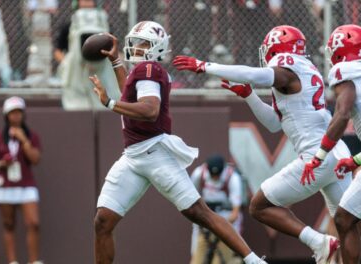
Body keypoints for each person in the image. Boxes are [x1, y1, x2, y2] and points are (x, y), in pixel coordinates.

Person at [89, 21, 267, 264]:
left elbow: (149, 110)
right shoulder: (144, 71)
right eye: (136, 42)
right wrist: (116, 62)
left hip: (154, 153)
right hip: (132, 157)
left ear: (156, 48)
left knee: (200, 213)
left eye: (143, 43)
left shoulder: (149, 69)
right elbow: (129, 96)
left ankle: (254, 261)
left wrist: (109, 103)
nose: (136, 47)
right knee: (103, 221)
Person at [173, 25, 352, 264]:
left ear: (277, 48)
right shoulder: (304, 69)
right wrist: (249, 95)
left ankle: (318, 242)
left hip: (316, 156)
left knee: (259, 206)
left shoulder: (287, 64)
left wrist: (206, 66)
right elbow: (274, 124)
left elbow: (257, 75)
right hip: (337, 153)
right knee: (348, 227)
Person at [301, 24, 361, 264]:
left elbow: (343, 114)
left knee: (344, 218)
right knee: (344, 218)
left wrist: (320, 155)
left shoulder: (344, 70)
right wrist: (355, 160)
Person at [0, 96, 43, 264]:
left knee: (33, 223)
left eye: (19, 112)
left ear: (23, 114)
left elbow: (35, 159)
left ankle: (34, 261)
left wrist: (24, 140)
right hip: (5, 185)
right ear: (6, 115)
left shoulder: (32, 136)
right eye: (12, 113)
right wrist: (0, 163)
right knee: (9, 224)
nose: (16, 116)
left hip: (26, 184)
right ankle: (13, 261)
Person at [190, 154, 244, 264]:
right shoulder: (199, 174)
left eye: (218, 175)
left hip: (226, 220)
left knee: (222, 259)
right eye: (212, 175)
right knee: (196, 257)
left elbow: (235, 213)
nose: (215, 178)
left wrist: (219, 227)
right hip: (204, 221)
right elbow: (190, 199)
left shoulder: (233, 177)